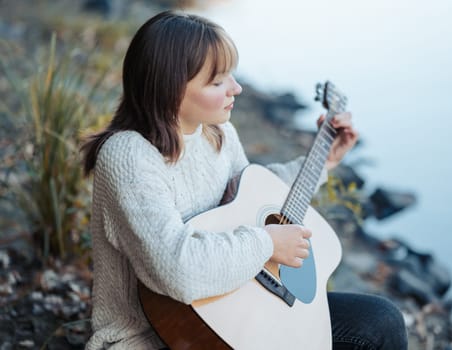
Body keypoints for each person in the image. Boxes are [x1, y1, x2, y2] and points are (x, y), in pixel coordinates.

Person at [81, 10, 407, 350]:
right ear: (171, 87)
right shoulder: (128, 156)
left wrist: (323, 161)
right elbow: (179, 269)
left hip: (236, 306)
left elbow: (253, 196)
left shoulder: (216, 132)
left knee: (380, 321)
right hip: (159, 337)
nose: (236, 88)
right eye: (218, 81)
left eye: (231, 75)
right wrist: (267, 243)